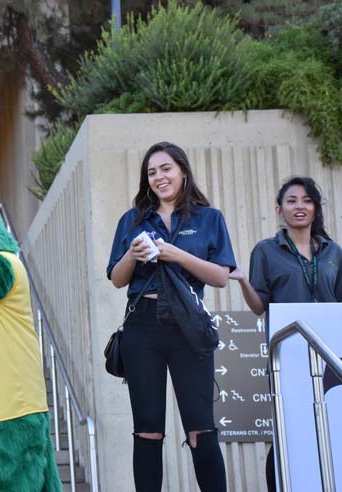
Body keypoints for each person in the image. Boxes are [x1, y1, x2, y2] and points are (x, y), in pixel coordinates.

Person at [107, 142, 236, 492]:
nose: (159, 177)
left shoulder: (209, 219)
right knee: (147, 428)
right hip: (142, 326)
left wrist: (176, 254)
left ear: (182, 171)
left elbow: (221, 276)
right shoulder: (131, 220)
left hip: (189, 326)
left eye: (165, 169)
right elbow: (118, 279)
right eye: (152, 172)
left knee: (201, 427)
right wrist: (132, 255)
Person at [229, 176, 342, 491]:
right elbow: (258, 306)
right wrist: (241, 282)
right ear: (279, 209)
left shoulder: (334, 252)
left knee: (332, 422)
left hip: (332, 352)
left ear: (316, 208)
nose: (300, 206)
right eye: (292, 200)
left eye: (307, 200)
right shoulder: (266, 251)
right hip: (288, 353)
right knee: (290, 425)